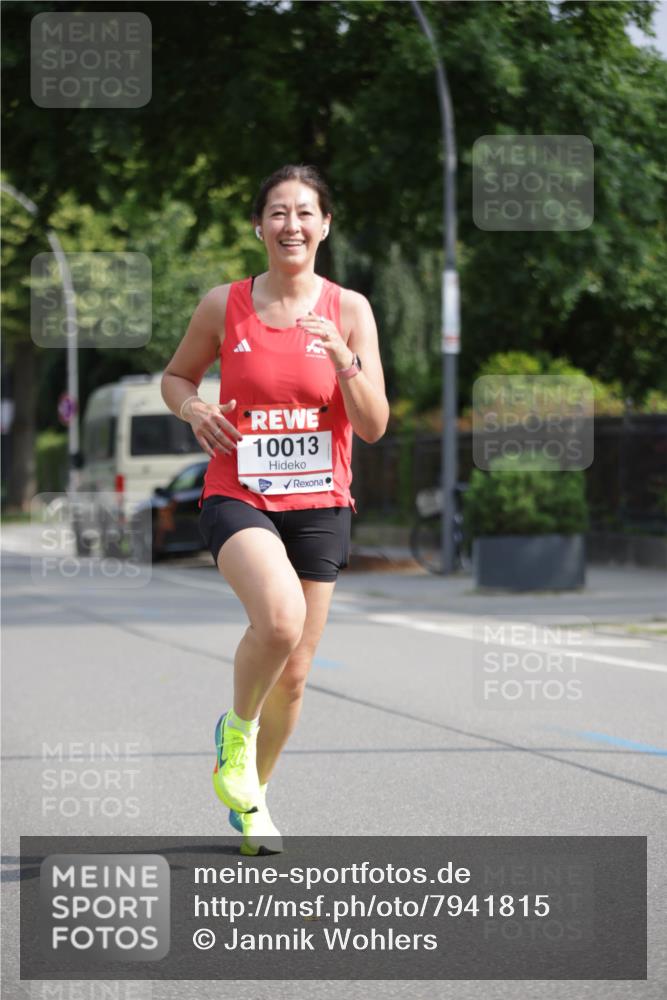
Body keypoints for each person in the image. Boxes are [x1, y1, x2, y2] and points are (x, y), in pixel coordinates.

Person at [161, 164, 389, 854]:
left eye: (305, 212)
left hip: (321, 503)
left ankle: (252, 797)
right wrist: (194, 407)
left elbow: (373, 425)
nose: (292, 224)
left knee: (293, 674)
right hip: (239, 493)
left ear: (325, 225)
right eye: (278, 212)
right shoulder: (223, 305)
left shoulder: (350, 309)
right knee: (280, 620)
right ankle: (235, 735)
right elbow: (176, 377)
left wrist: (344, 359)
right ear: (259, 226)